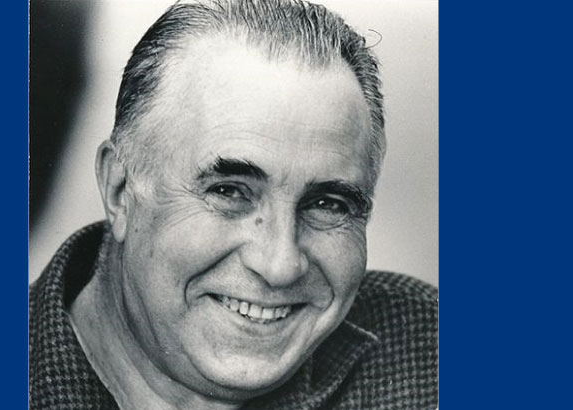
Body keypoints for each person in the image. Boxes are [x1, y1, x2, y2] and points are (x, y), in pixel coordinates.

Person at [28, 0, 439, 409]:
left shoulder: (429, 353)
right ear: (120, 189)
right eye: (229, 192)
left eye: (327, 204)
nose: (279, 266)